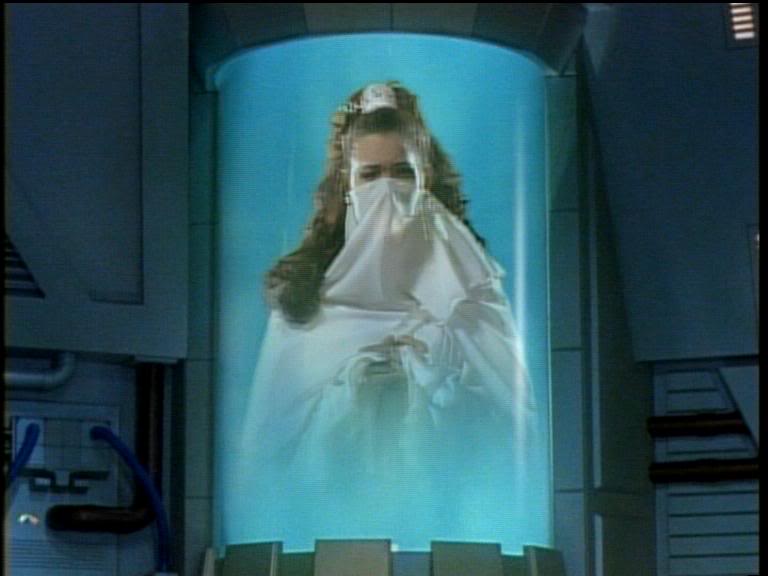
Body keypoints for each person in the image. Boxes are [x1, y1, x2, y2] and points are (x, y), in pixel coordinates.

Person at [236, 81, 536, 547]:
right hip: (326, 536)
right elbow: (265, 463)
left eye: (402, 173)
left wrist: (440, 385)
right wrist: (347, 390)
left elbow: (515, 444)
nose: (387, 191)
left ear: (425, 179)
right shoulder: (305, 307)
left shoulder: (472, 299)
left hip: (452, 533)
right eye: (370, 175)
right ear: (347, 187)